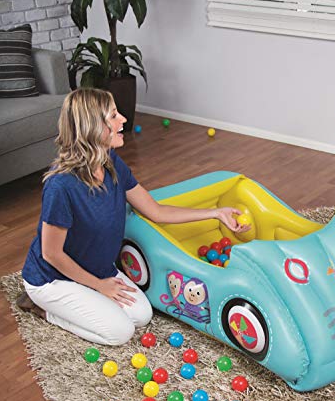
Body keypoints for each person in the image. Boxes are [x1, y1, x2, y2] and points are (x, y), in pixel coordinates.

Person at [18, 88, 249, 345]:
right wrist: (99, 286)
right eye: (113, 115)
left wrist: (215, 213)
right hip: (53, 279)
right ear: (92, 126)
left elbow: (156, 211)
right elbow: (52, 254)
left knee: (141, 315)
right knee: (120, 332)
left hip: (97, 268)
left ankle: (88, 295)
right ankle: (44, 310)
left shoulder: (110, 162)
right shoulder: (60, 186)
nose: (123, 119)